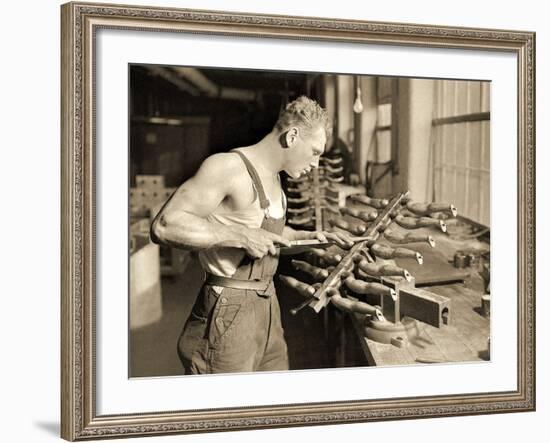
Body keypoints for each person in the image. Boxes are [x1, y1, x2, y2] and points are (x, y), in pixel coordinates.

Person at [151, 96, 352, 375]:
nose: (316, 164)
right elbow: (164, 225)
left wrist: (312, 236)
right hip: (228, 310)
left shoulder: (275, 178)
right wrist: (242, 236)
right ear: (292, 136)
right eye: (315, 152)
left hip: (267, 305)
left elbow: (269, 234)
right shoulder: (227, 167)